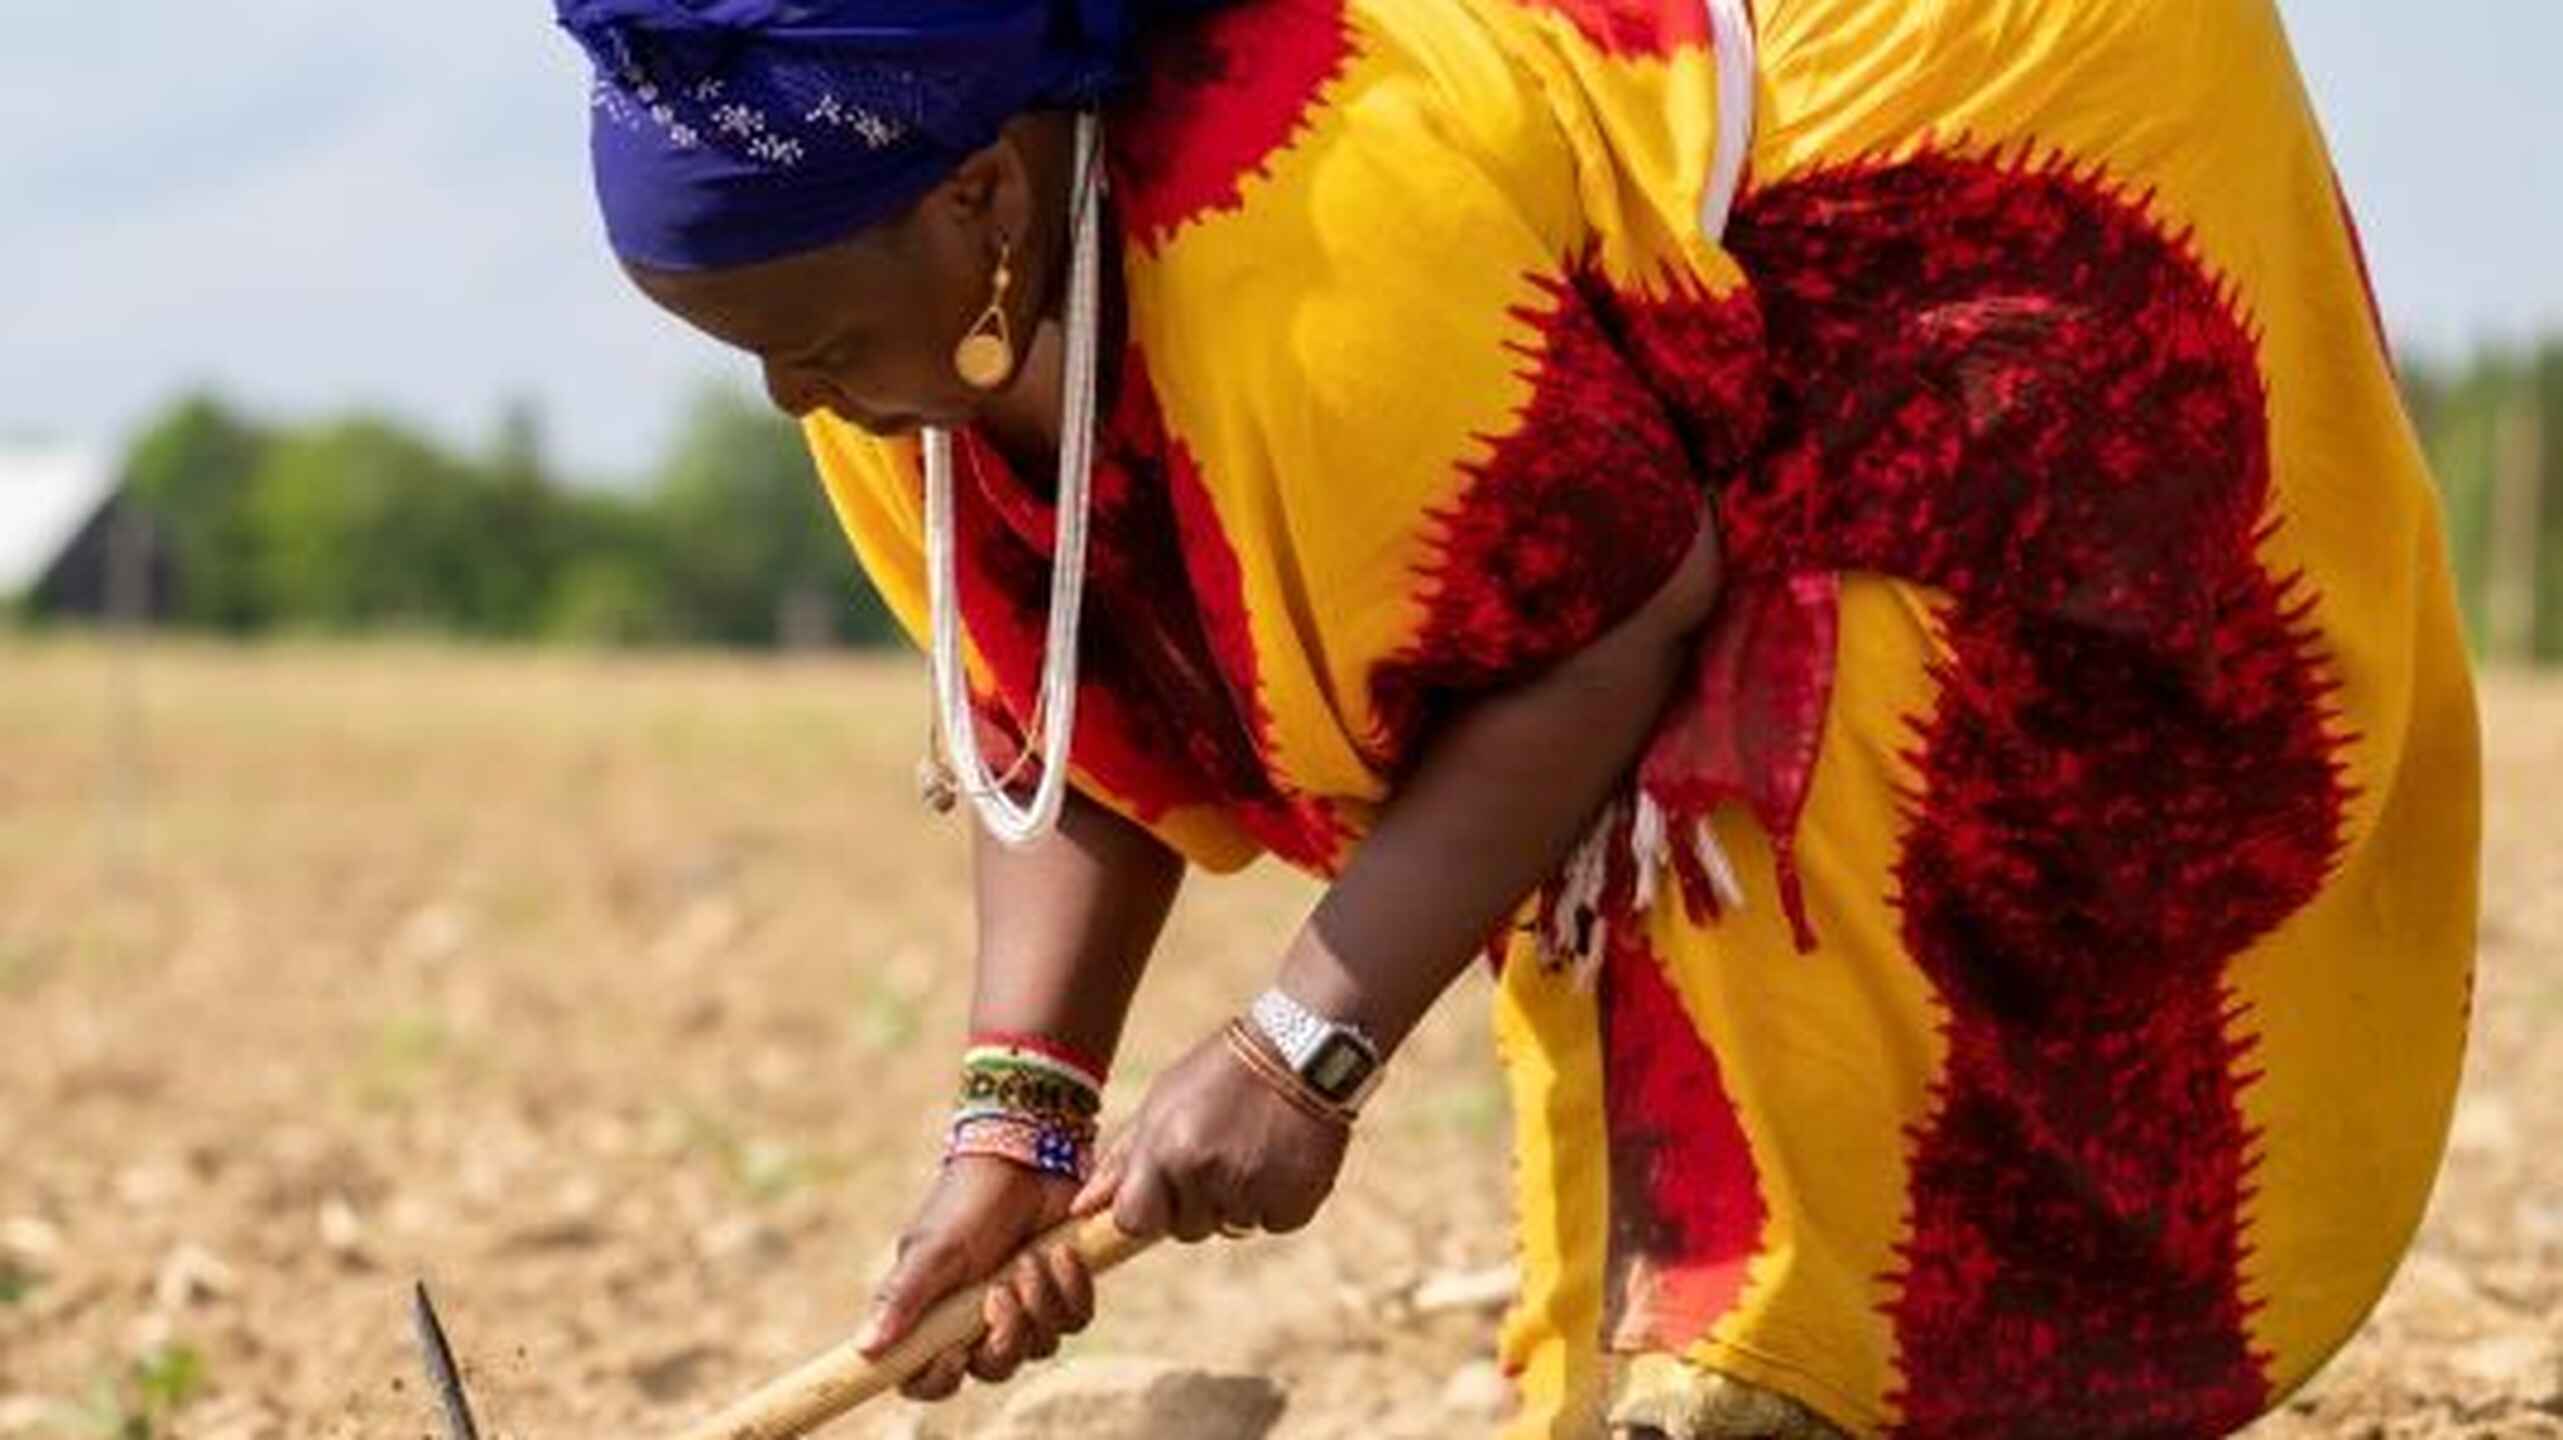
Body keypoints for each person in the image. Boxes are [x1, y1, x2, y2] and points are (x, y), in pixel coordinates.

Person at [552, 0, 2481, 1433]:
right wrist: (1014, 1129)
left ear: (979, 192)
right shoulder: (915, 334)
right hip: (1644, 329)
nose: (797, 405)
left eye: (805, 347)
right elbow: (1058, 699)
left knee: (1798, 717)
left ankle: (1773, 1370)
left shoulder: (1310, 224)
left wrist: (1302, 1040)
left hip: (1984, 139)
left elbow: (1607, 618)